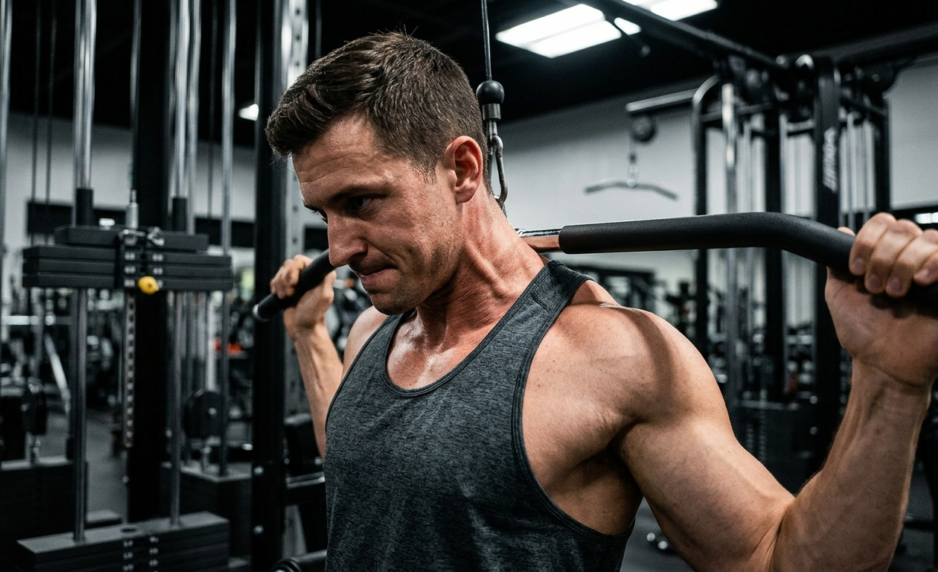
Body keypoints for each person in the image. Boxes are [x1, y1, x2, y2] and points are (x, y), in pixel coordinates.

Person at [265, 32, 938, 571]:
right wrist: (307, 334)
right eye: (325, 215)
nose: (339, 248)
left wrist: (890, 381)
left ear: (464, 169)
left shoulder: (612, 357)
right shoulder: (370, 332)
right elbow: (365, 464)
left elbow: (775, 558)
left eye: (361, 202)